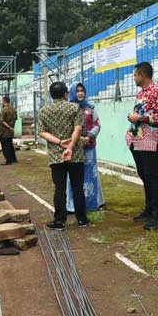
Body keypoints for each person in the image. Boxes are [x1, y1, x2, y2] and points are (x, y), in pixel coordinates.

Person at [125, 62, 158, 231]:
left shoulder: (157, 91)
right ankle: (150, 208)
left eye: (135, 75)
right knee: (144, 174)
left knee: (152, 176)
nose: (134, 77)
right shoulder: (141, 93)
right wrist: (134, 119)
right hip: (138, 139)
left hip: (151, 140)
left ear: (142, 76)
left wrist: (141, 119)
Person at [38, 81, 88, 230]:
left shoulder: (44, 111)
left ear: (51, 95)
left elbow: (42, 132)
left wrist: (60, 143)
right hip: (75, 154)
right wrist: (71, 146)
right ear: (66, 93)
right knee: (77, 187)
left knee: (59, 188)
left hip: (56, 155)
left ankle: (59, 221)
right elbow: (78, 129)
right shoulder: (74, 108)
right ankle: (82, 219)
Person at [66, 82, 104, 212]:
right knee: (74, 176)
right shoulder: (68, 108)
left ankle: (92, 203)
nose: (80, 93)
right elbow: (67, 127)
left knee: (90, 175)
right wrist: (78, 139)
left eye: (82, 91)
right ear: (72, 93)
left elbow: (97, 124)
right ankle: (73, 205)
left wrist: (89, 137)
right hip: (74, 147)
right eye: (77, 91)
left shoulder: (91, 107)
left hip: (89, 147)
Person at [0, 96, 18, 166]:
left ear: (4, 101)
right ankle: (14, 159)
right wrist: (12, 127)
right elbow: (15, 119)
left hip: (4, 131)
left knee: (5, 146)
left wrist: (9, 127)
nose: (2, 102)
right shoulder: (13, 109)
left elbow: (2, 121)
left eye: (2, 101)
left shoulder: (4, 110)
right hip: (11, 131)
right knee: (10, 145)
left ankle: (8, 160)